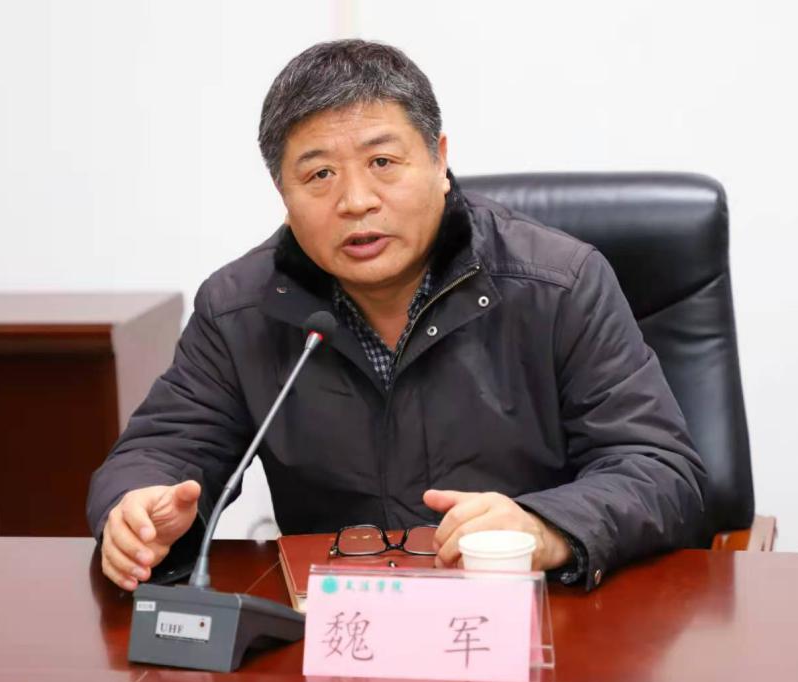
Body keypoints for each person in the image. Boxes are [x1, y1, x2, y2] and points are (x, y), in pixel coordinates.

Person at [87, 39, 708, 593]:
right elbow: (161, 449)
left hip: (535, 620)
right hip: (339, 633)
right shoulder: (240, 310)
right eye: (320, 174)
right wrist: (137, 509)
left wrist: (545, 527)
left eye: (382, 163)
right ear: (283, 193)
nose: (356, 201)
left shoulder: (561, 285)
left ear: (439, 160)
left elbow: (660, 469)